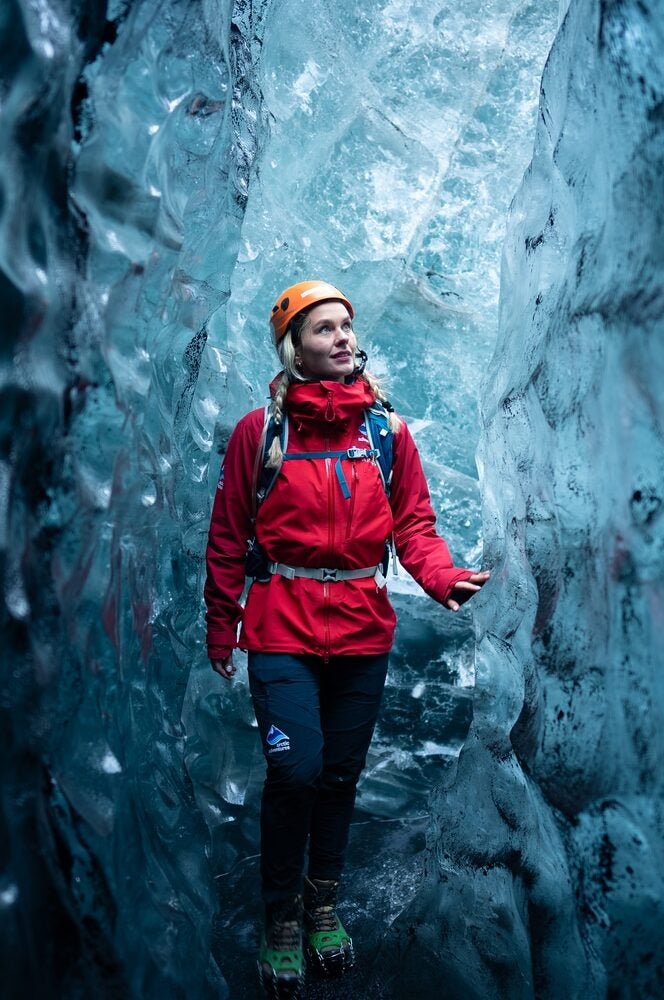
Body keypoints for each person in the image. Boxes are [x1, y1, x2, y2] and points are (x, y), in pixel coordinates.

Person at [203, 279, 489, 997]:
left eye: (345, 326)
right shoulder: (259, 434)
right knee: (296, 771)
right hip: (282, 629)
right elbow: (229, 535)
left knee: (337, 776)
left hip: (361, 632)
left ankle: (321, 904)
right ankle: (280, 916)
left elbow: (414, 526)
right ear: (294, 348)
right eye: (323, 328)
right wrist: (220, 624)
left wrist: (442, 578)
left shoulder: (386, 435)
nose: (342, 338)